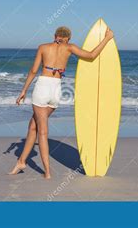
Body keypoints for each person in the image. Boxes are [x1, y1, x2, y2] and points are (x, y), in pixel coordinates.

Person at [8, 26, 114, 179]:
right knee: (33, 126)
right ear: (68, 38)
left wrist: (24, 90)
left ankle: (47, 172)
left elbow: (33, 71)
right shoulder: (70, 48)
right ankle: (22, 161)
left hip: (43, 88)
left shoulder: (43, 47)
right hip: (56, 91)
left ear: (55, 35)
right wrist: (107, 38)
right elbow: (91, 56)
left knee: (42, 132)